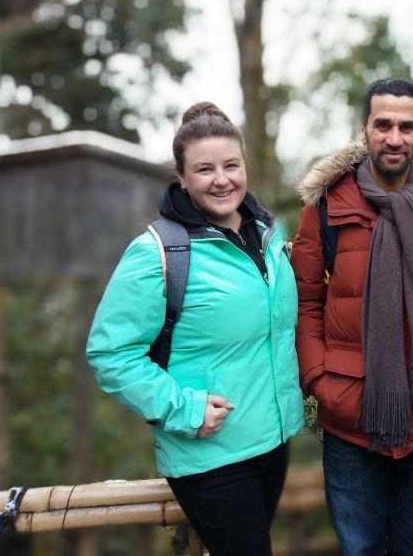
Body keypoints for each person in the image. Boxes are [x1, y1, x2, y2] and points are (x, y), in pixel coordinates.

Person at [86, 102, 304, 555]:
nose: (222, 179)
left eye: (231, 165)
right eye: (204, 169)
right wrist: (183, 409)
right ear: (181, 177)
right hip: (209, 454)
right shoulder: (157, 252)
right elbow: (110, 354)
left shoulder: (268, 235)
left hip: (272, 441)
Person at [291, 78, 413, 555]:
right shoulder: (325, 206)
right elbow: (302, 303)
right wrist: (320, 380)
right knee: (361, 551)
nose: (394, 137)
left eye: (406, 126)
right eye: (383, 125)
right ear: (365, 130)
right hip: (349, 413)